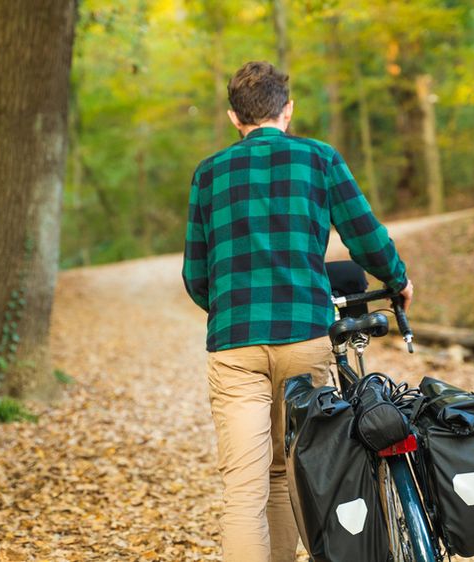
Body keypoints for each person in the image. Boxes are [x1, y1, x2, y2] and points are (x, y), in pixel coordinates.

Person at [181, 60, 413, 562]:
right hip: (305, 339)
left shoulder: (209, 173)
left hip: (234, 344)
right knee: (291, 470)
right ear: (287, 111)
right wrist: (397, 279)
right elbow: (366, 238)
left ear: (232, 117)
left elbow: (196, 278)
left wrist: (229, 308)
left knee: (246, 490)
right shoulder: (319, 159)